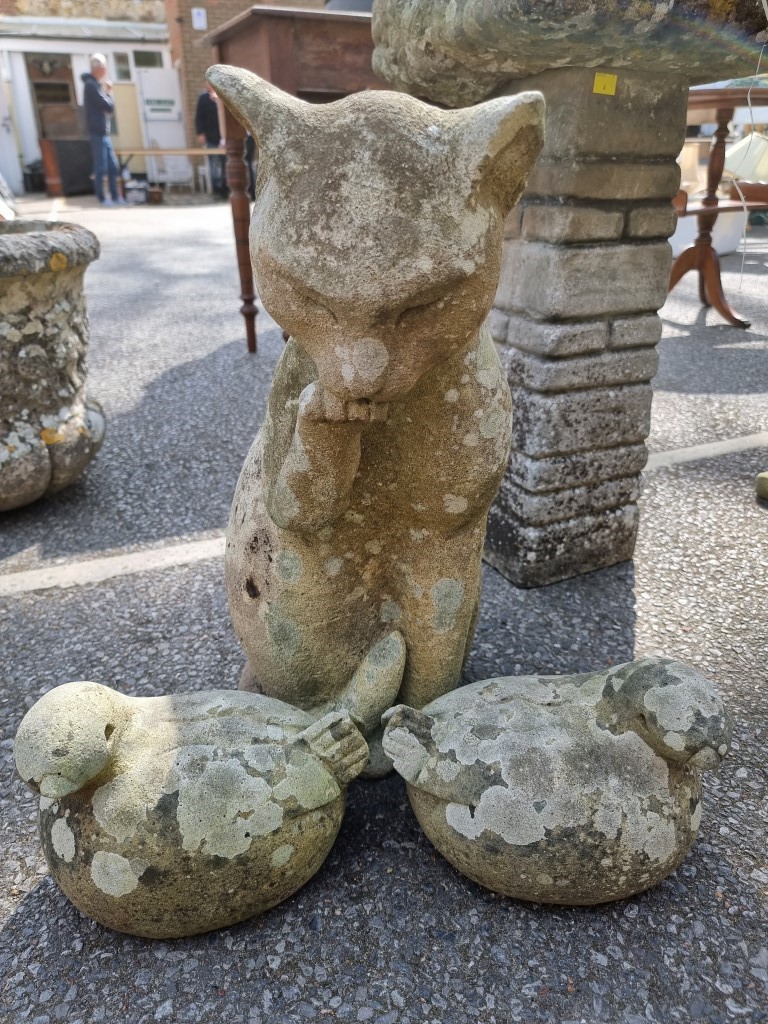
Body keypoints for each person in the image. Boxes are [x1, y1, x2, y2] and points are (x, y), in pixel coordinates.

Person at [81, 54, 125, 207]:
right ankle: (102, 198)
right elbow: (108, 106)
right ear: (98, 68)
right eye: (104, 67)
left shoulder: (94, 85)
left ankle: (115, 196)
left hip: (103, 133)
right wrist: (109, 92)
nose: (105, 71)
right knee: (101, 167)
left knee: (113, 166)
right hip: (97, 133)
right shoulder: (90, 85)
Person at [195, 83, 226, 198]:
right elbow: (199, 117)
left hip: (223, 137)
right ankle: (216, 189)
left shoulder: (221, 97)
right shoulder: (203, 98)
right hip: (210, 136)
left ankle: (224, 189)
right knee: (213, 165)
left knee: (224, 164)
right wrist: (200, 133)